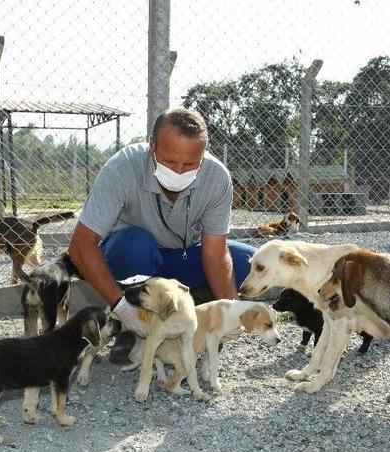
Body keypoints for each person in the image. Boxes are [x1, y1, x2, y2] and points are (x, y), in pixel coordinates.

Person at [67, 108, 256, 358]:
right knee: (133, 244)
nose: (179, 172)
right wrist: (122, 307)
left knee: (248, 262)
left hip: (184, 257)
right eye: (169, 161)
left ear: (203, 155)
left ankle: (191, 310)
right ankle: (130, 325)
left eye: (190, 164)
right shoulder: (122, 168)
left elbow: (215, 252)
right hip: (139, 259)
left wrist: (231, 309)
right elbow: (81, 246)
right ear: (151, 147)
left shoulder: (217, 176)